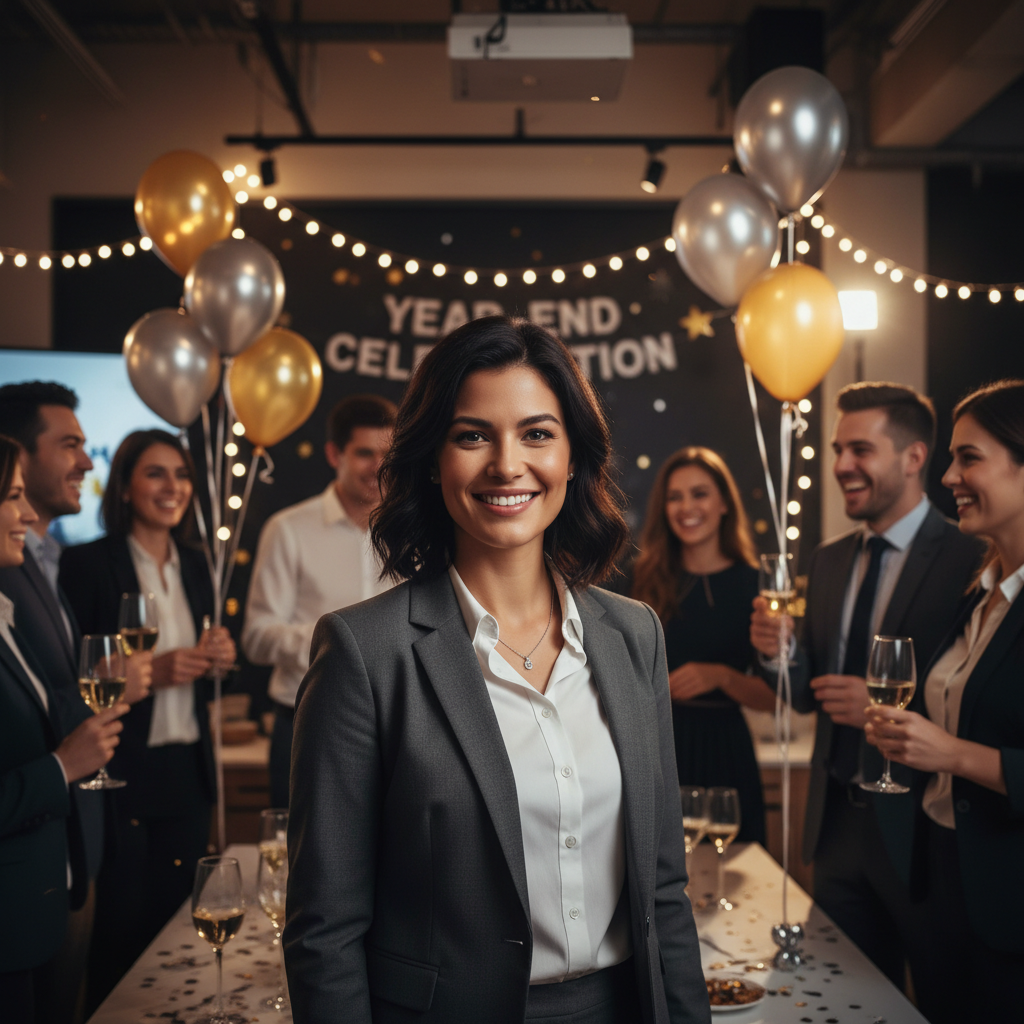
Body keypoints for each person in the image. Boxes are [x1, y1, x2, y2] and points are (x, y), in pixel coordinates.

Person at [285, 316, 709, 1024]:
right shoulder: (365, 653)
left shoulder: (635, 634)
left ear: (573, 458)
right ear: (431, 459)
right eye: (472, 435)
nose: (506, 464)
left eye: (537, 433)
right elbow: (324, 932)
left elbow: (665, 889)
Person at [749, 382, 982, 992]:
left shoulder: (971, 557)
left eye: (860, 450)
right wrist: (780, 654)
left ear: (913, 458)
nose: (841, 467)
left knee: (939, 998)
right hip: (834, 831)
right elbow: (803, 695)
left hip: (923, 835)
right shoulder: (826, 560)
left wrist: (876, 706)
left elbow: (978, 695)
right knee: (840, 995)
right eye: (836, 450)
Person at [864, 379, 1024, 1024]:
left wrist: (952, 754)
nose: (950, 475)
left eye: (970, 458)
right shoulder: (978, 592)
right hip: (941, 883)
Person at [58, 429, 235, 1009]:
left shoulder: (197, 561)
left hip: (188, 770)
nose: (173, 487)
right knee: (121, 930)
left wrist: (221, 661)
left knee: (178, 925)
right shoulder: (86, 564)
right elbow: (72, 677)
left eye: (181, 475)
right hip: (122, 772)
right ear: (127, 487)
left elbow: (217, 679)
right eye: (156, 473)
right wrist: (149, 674)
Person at [0, 381, 151, 1024]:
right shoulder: (16, 567)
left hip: (63, 855)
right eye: (69, 445)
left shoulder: (38, 561)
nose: (88, 462)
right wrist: (68, 758)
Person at [243, 393, 397, 807]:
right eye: (365, 453)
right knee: (302, 859)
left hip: (396, 724)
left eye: (388, 453)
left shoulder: (413, 534)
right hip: (305, 721)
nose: (378, 466)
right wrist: (339, 643)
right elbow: (256, 638)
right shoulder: (289, 528)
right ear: (334, 454)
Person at [632, 447, 774, 844]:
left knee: (738, 877)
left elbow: (773, 699)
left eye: (699, 494)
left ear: (725, 503)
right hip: (656, 749)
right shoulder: (638, 582)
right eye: (674, 497)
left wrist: (721, 677)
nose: (686, 507)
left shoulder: (755, 586)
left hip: (726, 752)